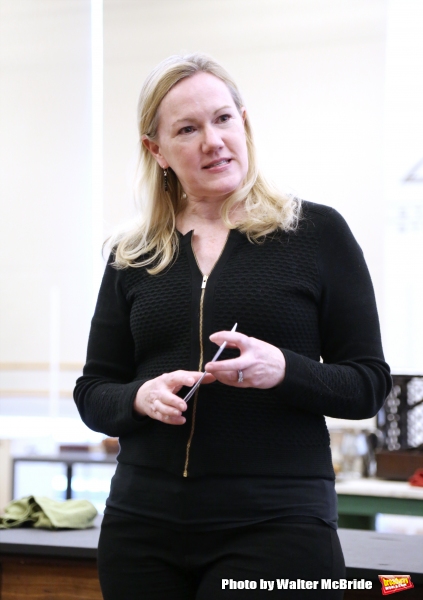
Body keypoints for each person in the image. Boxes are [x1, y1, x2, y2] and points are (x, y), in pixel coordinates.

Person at [74, 53, 391, 599]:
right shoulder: (132, 254)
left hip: (277, 523)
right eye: (188, 129)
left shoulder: (315, 233)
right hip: (142, 525)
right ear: (158, 151)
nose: (213, 141)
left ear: (244, 122)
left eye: (223, 119)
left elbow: (367, 386)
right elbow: (93, 392)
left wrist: (284, 370)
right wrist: (139, 398)